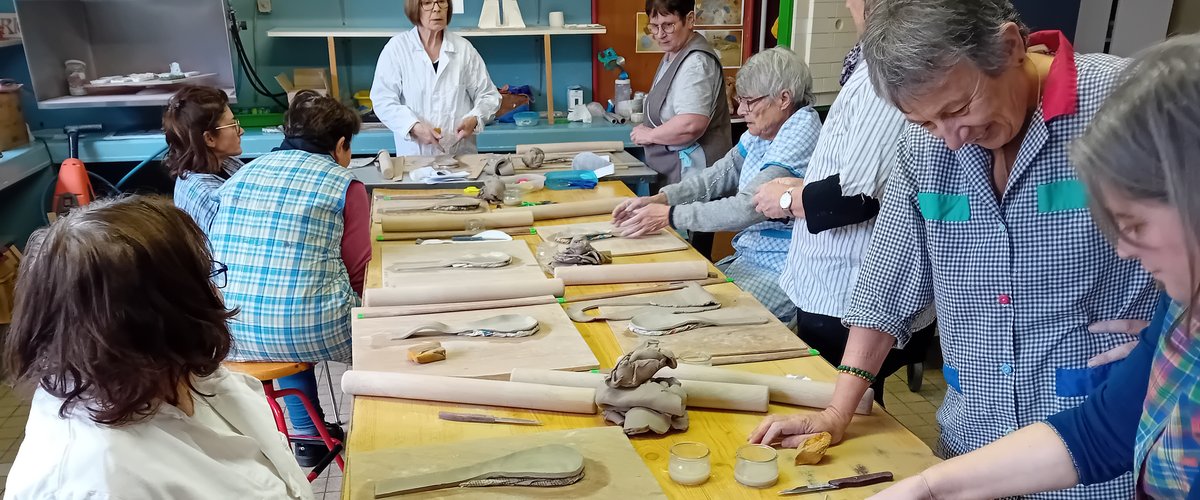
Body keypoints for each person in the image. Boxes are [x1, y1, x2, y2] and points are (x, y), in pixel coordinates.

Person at [748, 2, 1159, 498]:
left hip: (1097, 452)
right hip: (972, 445)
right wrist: (838, 410)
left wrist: (1177, 329)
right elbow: (887, 281)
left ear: (1009, 47)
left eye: (958, 109)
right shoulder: (925, 148)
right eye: (926, 122)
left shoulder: (1131, 103)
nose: (950, 138)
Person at [870, 33, 1200, 500]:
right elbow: (1097, 433)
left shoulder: (1114, 95)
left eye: (1134, 224)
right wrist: (927, 485)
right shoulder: (1181, 325)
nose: (1124, 251)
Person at [3, 196, 311, 499]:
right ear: (157, 316)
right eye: (204, 279)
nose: (216, 293)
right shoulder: (94, 481)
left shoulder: (179, 374)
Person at [751, 0, 935, 406]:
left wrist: (787, 197)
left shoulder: (884, 71)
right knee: (850, 408)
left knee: (851, 410)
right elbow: (866, 173)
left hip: (848, 296)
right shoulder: (867, 66)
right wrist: (803, 185)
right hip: (836, 291)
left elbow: (859, 195)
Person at [209, 90, 370, 466]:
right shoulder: (343, 184)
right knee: (370, 328)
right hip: (307, 328)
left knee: (283, 308)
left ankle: (307, 436)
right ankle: (384, 437)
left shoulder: (241, 175)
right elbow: (360, 271)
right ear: (341, 144)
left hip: (232, 327)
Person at [612, 47, 820, 325]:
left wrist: (671, 216)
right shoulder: (765, 129)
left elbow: (749, 207)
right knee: (678, 297)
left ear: (784, 99)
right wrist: (662, 199)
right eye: (740, 100)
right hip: (751, 255)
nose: (740, 109)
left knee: (702, 318)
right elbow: (719, 174)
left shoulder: (800, 131)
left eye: (749, 101)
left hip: (782, 267)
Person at [371, 0, 501, 156]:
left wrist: (474, 118)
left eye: (441, 2)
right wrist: (413, 126)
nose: (437, 9)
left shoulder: (463, 49)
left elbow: (489, 96)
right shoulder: (397, 49)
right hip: (415, 159)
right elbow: (382, 100)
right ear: (414, 8)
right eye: (427, 3)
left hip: (461, 158)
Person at [633, 0, 733, 186]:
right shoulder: (673, 54)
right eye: (654, 27)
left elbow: (690, 124)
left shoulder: (695, 63)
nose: (660, 35)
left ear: (689, 19)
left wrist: (650, 135)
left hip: (693, 174)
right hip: (677, 169)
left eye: (668, 25)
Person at [164, 85, 245, 232]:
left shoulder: (223, 162)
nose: (241, 131)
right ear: (209, 138)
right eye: (233, 125)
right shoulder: (209, 196)